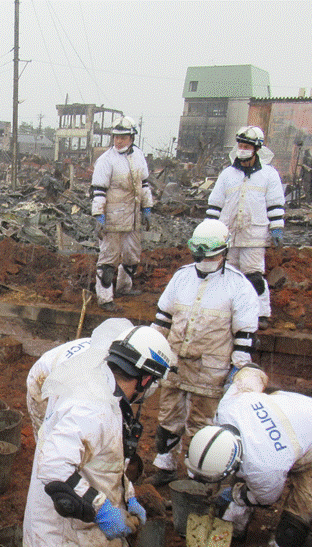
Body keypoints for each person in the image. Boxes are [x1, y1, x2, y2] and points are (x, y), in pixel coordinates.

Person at [23, 326, 174, 547]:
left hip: (57, 539)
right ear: (146, 380)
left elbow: (102, 462)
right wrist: (103, 508)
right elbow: (55, 469)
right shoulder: (92, 406)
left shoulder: (103, 389)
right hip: (69, 544)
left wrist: (128, 494)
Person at [185, 365, 312, 547]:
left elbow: (267, 499)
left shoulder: (263, 468)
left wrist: (234, 494)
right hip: (292, 419)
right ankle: (236, 527)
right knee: (242, 488)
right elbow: (252, 371)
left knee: (299, 513)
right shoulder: (228, 406)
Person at [147, 219, 259, 486]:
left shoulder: (239, 286)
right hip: (175, 362)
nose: (204, 260)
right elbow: (163, 319)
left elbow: (244, 335)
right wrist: (151, 345)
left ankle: (198, 475)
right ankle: (164, 465)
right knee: (168, 415)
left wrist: (239, 368)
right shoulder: (182, 277)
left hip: (211, 368)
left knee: (202, 424)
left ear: (224, 252)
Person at [206, 126, 285, 329]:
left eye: (247, 146)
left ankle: (261, 313)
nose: (242, 149)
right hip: (228, 234)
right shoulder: (227, 174)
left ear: (256, 149)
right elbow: (215, 203)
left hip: (254, 234)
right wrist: (209, 230)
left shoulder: (268, 175)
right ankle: (227, 312)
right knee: (226, 274)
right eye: (240, 145)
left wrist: (277, 227)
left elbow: (275, 203)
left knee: (254, 275)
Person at [25, 318, 133, 436]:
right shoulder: (93, 369)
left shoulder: (110, 353)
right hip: (42, 378)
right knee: (49, 433)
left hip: (59, 370)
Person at [90, 116, 154, 311]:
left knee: (132, 256)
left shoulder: (139, 157)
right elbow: (98, 190)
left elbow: (144, 184)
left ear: (132, 138)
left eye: (123, 138)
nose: (119, 141)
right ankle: (105, 298)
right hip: (113, 217)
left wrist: (147, 207)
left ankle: (125, 287)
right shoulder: (106, 160)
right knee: (109, 258)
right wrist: (98, 215)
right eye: (116, 137)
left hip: (132, 215)